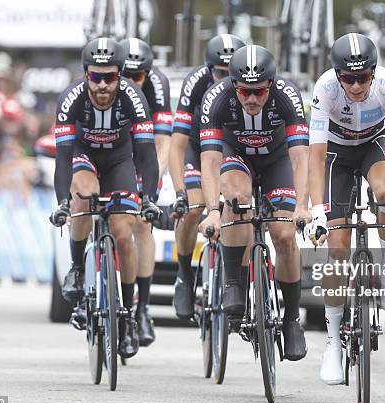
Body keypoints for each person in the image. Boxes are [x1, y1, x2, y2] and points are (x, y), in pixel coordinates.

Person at [305, 33, 385, 384]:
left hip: (374, 143)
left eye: (363, 77)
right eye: (348, 78)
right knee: (337, 249)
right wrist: (316, 213)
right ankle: (332, 344)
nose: (355, 85)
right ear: (337, 75)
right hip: (336, 156)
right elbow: (314, 157)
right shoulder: (325, 89)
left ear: (374, 71)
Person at [49, 37, 160, 359]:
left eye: (109, 77)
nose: (101, 85)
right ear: (86, 75)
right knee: (83, 195)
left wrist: (149, 198)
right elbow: (63, 157)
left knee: (125, 234)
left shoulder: (134, 98)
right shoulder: (70, 99)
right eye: (95, 77)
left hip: (119, 161)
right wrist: (62, 203)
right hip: (83, 157)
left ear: (120, 75)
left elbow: (147, 154)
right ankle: (77, 268)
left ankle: (126, 313)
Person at [197, 45, 310, 361]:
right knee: (236, 195)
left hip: (277, 160)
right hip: (237, 157)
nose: (251, 99)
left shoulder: (288, 95)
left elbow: (301, 158)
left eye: (259, 92)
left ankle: (290, 320)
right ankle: (234, 279)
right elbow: (209, 161)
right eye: (245, 91)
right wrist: (213, 212)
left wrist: (302, 205)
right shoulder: (217, 99)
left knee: (285, 236)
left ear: (270, 85)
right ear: (234, 85)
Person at [168, 34, 245, 320]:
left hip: (232, 148)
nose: (224, 78)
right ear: (208, 69)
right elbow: (177, 143)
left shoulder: (247, 85)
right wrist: (179, 192)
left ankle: (239, 280)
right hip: (197, 145)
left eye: (230, 73)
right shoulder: (197, 82)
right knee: (193, 207)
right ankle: (184, 274)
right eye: (219, 73)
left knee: (241, 206)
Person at [118, 37, 173, 347]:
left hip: (143, 151)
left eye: (138, 76)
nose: (131, 82)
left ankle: (142, 308)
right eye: (126, 75)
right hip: (110, 147)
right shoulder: (106, 81)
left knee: (141, 223)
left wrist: (151, 184)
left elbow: (162, 142)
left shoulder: (158, 84)